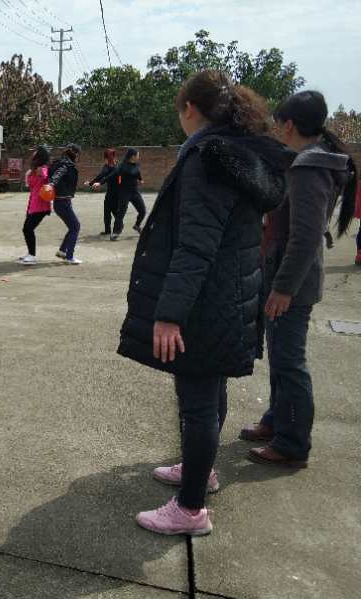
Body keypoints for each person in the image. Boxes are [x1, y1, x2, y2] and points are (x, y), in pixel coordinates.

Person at [117, 70, 294, 536]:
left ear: (190, 109)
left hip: (204, 301)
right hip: (230, 295)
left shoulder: (207, 158)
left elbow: (195, 244)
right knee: (210, 390)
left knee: (196, 400)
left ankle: (190, 509)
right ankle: (201, 470)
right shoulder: (243, 155)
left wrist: (169, 315)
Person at [240, 91, 357, 468]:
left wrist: (283, 288)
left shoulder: (309, 167)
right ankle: (276, 420)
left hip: (291, 282)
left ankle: (292, 443)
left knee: (289, 361)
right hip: (283, 275)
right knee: (280, 356)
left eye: (278, 124)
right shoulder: (308, 161)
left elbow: (305, 236)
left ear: (288, 125)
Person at [94, 148, 146, 240]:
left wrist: (140, 180)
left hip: (135, 192)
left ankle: (137, 225)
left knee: (143, 211)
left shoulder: (136, 164)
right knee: (121, 213)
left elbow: (137, 173)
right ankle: (115, 232)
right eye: (137, 155)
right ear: (132, 156)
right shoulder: (122, 166)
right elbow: (112, 175)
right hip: (125, 192)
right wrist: (100, 183)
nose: (138, 157)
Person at [47, 143, 82, 265]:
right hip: (63, 202)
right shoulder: (66, 164)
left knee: (73, 227)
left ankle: (62, 251)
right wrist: (51, 183)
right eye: (78, 154)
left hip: (61, 202)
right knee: (76, 226)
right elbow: (58, 174)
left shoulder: (59, 162)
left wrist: (51, 183)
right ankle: (69, 257)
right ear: (75, 154)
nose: (78, 157)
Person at [19, 146, 53, 265]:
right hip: (33, 204)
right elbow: (30, 185)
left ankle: (32, 255)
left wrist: (39, 172)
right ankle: (30, 253)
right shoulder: (34, 170)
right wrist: (28, 175)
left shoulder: (43, 168)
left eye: (36, 152)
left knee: (28, 229)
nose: (33, 154)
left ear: (40, 156)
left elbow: (45, 176)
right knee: (27, 229)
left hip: (41, 206)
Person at [86, 149, 120, 237]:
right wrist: (91, 183)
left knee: (113, 210)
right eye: (107, 157)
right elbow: (101, 175)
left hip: (116, 192)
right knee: (108, 210)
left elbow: (107, 176)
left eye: (107, 156)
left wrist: (98, 183)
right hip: (112, 191)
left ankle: (118, 225)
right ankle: (108, 230)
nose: (107, 158)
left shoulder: (115, 166)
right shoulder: (111, 165)